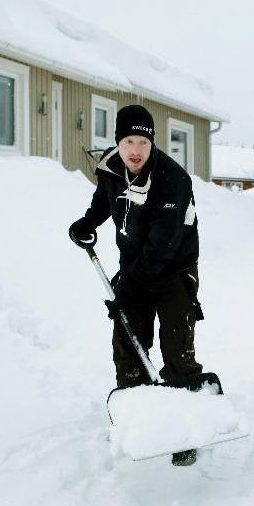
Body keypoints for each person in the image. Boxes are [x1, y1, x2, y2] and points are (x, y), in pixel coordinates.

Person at [68, 104, 205, 392]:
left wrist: (127, 285)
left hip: (175, 269)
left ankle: (191, 411)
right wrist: (89, 222)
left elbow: (162, 247)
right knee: (129, 344)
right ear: (117, 142)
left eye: (144, 142)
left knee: (176, 348)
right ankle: (136, 409)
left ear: (152, 143)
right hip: (134, 263)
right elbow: (106, 198)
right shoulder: (111, 166)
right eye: (128, 141)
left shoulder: (172, 179)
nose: (136, 150)